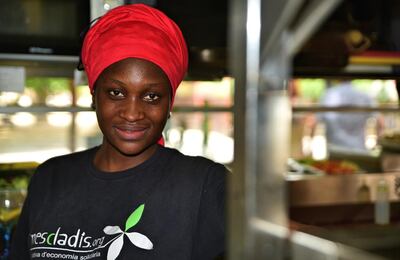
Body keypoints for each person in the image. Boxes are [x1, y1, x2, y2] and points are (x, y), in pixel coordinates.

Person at [10, 4, 227, 259]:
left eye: (151, 96)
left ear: (170, 103)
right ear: (94, 95)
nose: (132, 113)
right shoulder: (49, 179)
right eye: (116, 93)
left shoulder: (207, 187)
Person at [318, 80, 381, 152]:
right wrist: (377, 144)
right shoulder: (364, 95)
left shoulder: (328, 95)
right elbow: (379, 121)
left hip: (334, 149)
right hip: (359, 149)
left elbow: (318, 120)